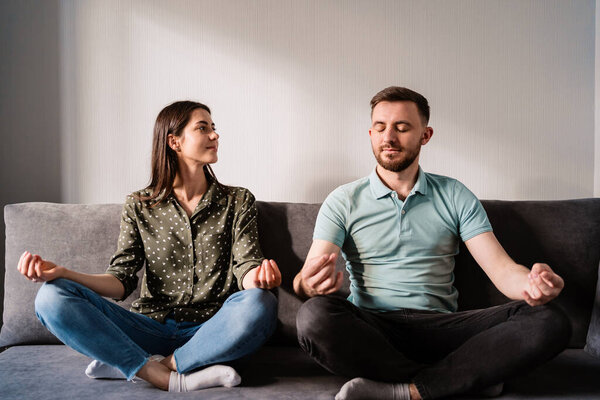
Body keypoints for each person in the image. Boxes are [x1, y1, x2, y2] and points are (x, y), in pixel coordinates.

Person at [293, 87, 571, 400]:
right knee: (313, 315)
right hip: (374, 329)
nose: (389, 138)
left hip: (444, 328)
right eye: (381, 128)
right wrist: (310, 285)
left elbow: (503, 271)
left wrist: (534, 285)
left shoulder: (455, 194)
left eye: (402, 127)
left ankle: (410, 390)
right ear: (370, 133)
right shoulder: (342, 200)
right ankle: (465, 377)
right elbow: (305, 280)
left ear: (425, 135)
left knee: (550, 319)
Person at [18, 100, 282, 392]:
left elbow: (246, 264)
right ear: (174, 141)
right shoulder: (139, 205)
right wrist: (64, 273)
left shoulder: (238, 200)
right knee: (50, 298)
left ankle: (155, 365)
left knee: (261, 302)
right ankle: (165, 376)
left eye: (214, 128)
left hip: (212, 331)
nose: (214, 135)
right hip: (148, 327)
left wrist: (256, 279)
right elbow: (120, 281)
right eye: (203, 128)